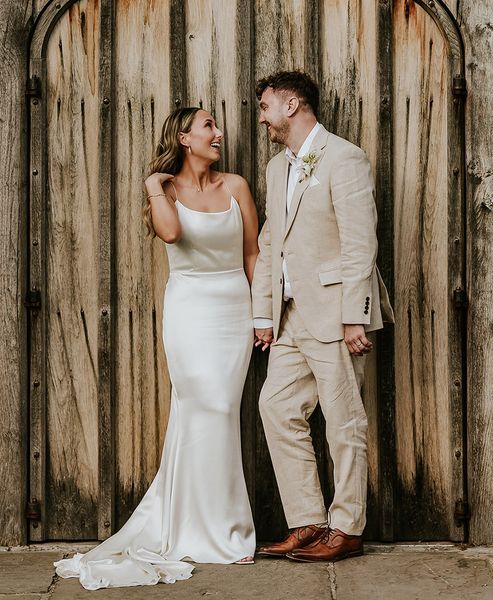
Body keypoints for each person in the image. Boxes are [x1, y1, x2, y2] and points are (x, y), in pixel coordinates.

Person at [54, 107, 259, 589]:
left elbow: (252, 252)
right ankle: (212, 532)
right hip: (189, 311)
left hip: (234, 309)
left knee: (223, 410)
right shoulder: (164, 193)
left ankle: (220, 529)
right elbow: (171, 233)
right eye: (209, 125)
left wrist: (264, 313)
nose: (219, 133)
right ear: (184, 138)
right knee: (202, 404)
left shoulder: (237, 186)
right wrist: (152, 183)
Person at [252, 71, 394, 563]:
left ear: (292, 104)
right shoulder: (276, 168)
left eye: (267, 105)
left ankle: (347, 528)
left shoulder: (343, 157)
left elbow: (360, 242)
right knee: (277, 407)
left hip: (334, 313)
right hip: (289, 316)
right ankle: (309, 522)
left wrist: (354, 314)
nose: (263, 116)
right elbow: (272, 241)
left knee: (343, 421)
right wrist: (262, 314)